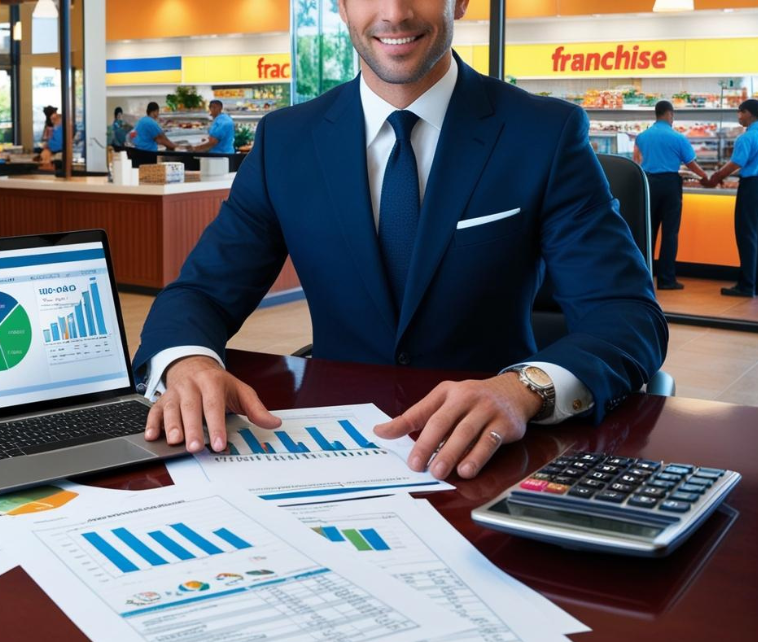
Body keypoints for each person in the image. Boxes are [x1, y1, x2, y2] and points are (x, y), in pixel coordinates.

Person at [133, 0, 666, 482]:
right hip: (335, 454)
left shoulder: (543, 134)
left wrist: (525, 389)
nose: (394, 12)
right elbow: (199, 292)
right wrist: (187, 362)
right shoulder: (286, 141)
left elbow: (626, 316)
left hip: (491, 455)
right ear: (340, 5)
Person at [633, 100, 710, 290]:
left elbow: (636, 161)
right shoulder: (678, 138)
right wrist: (705, 177)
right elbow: (691, 163)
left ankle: (644, 278)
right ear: (670, 114)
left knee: (647, 231)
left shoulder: (642, 137)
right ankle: (667, 279)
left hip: (648, 184)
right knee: (670, 233)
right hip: (669, 186)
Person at [703, 98, 758, 298]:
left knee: (747, 236)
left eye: (740, 112)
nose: (738, 116)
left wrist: (715, 178)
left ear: (749, 113)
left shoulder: (746, 137)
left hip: (752, 187)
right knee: (756, 235)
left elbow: (736, 163)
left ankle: (746, 285)